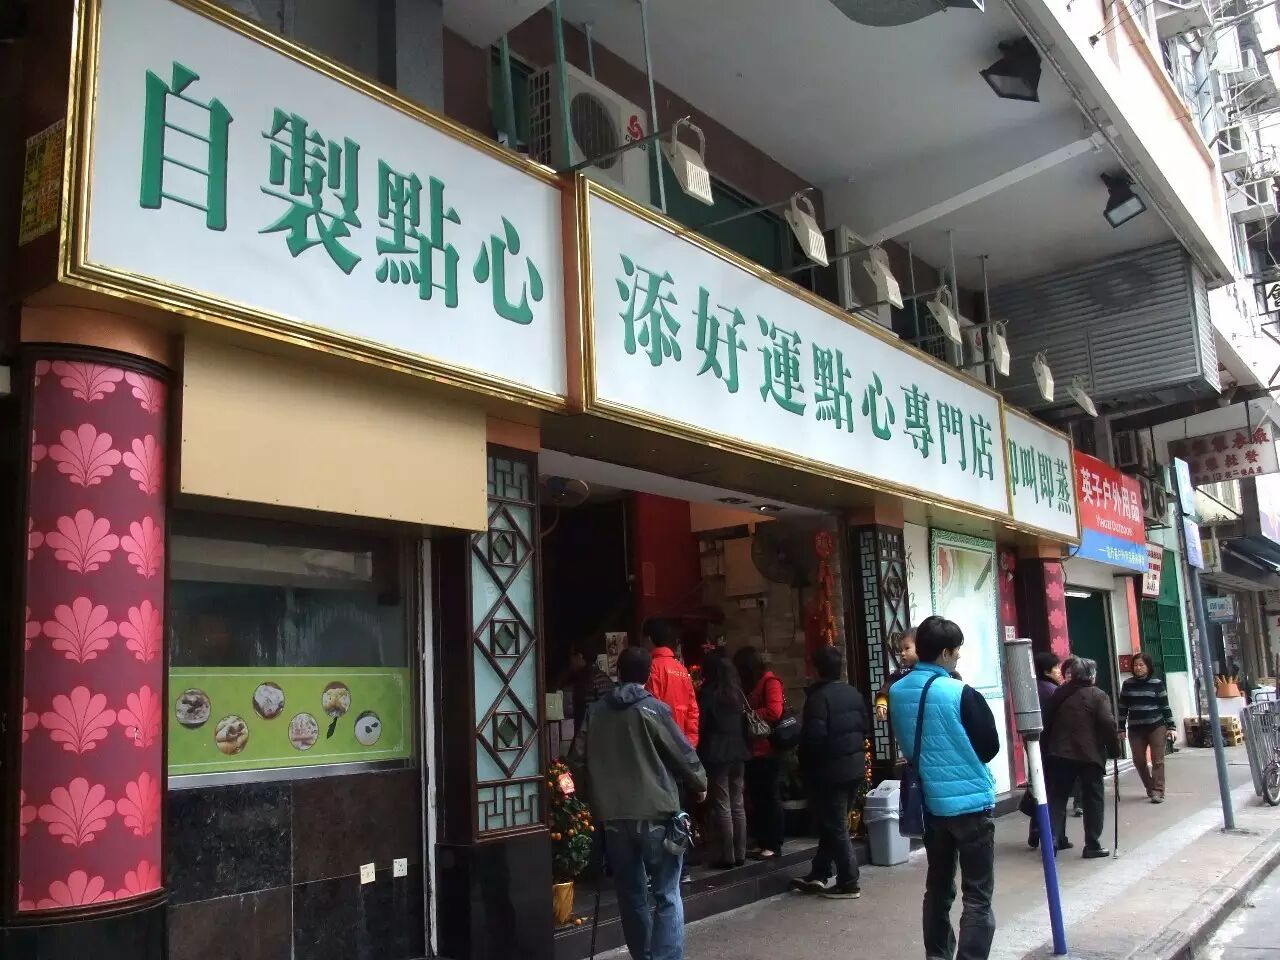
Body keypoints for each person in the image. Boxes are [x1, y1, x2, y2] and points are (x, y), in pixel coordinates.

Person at [569, 646, 708, 960]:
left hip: (614, 816)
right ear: (648, 675)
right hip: (656, 812)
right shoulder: (654, 709)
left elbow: (577, 760)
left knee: (631, 895)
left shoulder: (596, 711)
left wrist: (591, 797)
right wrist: (700, 783)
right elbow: (682, 753)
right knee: (667, 892)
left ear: (618, 672)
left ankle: (643, 955)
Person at [889, 616, 1000, 960]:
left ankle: (937, 955)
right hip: (971, 806)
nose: (958, 656)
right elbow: (989, 747)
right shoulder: (959, 691)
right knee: (977, 895)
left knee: (937, 888)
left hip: (931, 805)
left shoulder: (896, 692)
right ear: (945, 653)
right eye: (956, 650)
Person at [792, 644, 869, 899]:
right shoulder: (852, 693)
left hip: (830, 773)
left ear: (816, 669)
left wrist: (805, 767)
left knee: (836, 827)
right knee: (832, 824)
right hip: (854, 769)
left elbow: (813, 740)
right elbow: (864, 728)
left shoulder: (818, 698)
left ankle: (849, 881)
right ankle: (819, 872)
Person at [1043, 657, 1119, 859]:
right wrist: (1114, 749)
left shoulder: (1060, 693)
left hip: (1060, 754)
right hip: (1089, 756)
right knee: (1093, 799)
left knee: (1057, 799)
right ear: (1091, 676)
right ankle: (1092, 845)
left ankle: (1052, 840)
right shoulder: (1097, 695)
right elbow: (1107, 724)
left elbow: (1046, 722)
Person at [695, 650, 751, 869]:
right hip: (739, 750)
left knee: (722, 804)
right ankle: (741, 853)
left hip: (717, 752)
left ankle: (727, 855)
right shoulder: (737, 693)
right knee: (738, 803)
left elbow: (702, 725)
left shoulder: (708, 694)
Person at [734, 645, 786, 860]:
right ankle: (762, 840)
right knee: (757, 797)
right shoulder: (752, 684)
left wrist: (748, 715)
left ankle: (773, 843)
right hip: (752, 749)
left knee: (769, 796)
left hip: (767, 749)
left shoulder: (770, 681)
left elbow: (775, 711)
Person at [1118, 652, 1177, 804]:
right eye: (1135, 665)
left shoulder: (1157, 683)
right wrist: (1121, 728)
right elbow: (1122, 707)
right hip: (1135, 728)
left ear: (1148, 667)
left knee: (1158, 760)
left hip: (1156, 726)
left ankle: (1158, 790)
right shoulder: (1128, 684)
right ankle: (1149, 786)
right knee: (1138, 760)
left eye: (1141, 665)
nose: (1138, 668)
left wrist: (1171, 726)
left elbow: (1165, 706)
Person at [1026, 651, 1063, 850]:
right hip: (1051, 746)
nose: (1059, 671)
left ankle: (1035, 828)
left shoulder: (1033, 688)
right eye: (1056, 667)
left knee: (1039, 786)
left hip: (1035, 745)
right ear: (1047, 671)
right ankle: (1049, 834)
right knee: (1050, 791)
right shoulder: (1052, 691)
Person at [645, 619, 700, 748]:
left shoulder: (652, 667)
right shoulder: (682, 669)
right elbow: (693, 709)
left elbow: (651, 708)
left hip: (662, 743)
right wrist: (691, 742)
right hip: (683, 742)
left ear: (648, 639)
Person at [874, 629, 918, 722]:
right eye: (900, 650)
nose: (902, 653)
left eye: (907, 648)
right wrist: (882, 703)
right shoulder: (899, 674)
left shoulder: (931, 670)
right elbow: (886, 688)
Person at [566, 644, 614, 728]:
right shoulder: (606, 678)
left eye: (572, 656)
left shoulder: (585, 680)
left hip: (592, 731)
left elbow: (582, 716)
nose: (570, 660)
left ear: (580, 656)